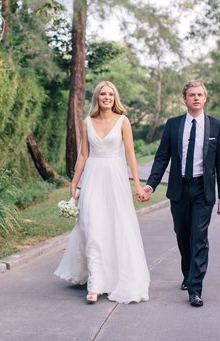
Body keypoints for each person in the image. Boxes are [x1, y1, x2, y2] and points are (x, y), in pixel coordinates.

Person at [54, 81, 150, 304]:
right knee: (92, 227)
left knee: (116, 228)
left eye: (110, 94)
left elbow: (131, 156)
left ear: (115, 98)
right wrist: (74, 183)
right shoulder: (87, 122)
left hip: (115, 181)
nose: (106, 97)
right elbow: (83, 156)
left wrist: (137, 184)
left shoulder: (123, 122)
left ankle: (116, 276)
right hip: (93, 180)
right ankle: (95, 284)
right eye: (102, 94)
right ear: (96, 98)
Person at [141, 80, 220, 307]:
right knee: (182, 234)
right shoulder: (173, 125)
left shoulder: (216, 127)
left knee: (199, 236)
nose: (196, 98)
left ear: (205, 98)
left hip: (203, 190)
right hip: (179, 189)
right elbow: (162, 157)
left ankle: (195, 288)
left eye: (200, 94)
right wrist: (151, 184)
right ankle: (188, 273)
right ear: (184, 99)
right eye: (192, 95)